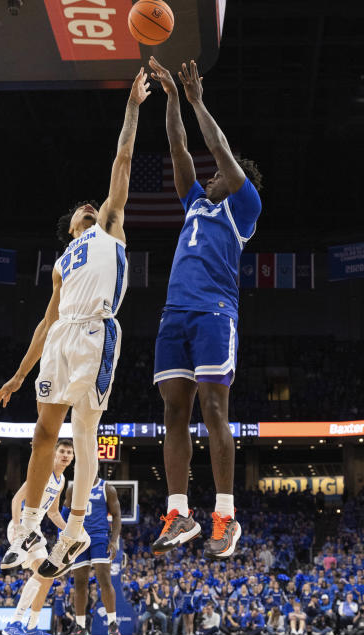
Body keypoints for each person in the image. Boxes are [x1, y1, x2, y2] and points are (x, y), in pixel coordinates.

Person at [0, 69, 149, 577]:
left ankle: (75, 523)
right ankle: (32, 525)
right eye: (84, 208)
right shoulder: (61, 262)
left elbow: (122, 162)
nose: (91, 205)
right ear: (71, 226)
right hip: (61, 336)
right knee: (46, 432)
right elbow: (43, 322)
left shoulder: (110, 227)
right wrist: (19, 374)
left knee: (83, 431)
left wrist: (131, 109)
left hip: (96, 332)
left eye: (93, 204)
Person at [147, 57, 263, 560]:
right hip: (175, 314)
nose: (212, 175)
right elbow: (179, 149)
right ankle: (179, 513)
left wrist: (197, 101)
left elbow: (220, 151)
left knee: (215, 411)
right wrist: (173, 100)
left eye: (221, 174)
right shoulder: (196, 202)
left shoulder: (244, 206)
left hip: (215, 313)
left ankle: (225, 516)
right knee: (174, 411)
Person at [1, 440, 72, 635]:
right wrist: (18, 528)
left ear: (72, 457)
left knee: (48, 577)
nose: (65, 455)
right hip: (23, 528)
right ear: (55, 453)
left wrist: (71, 530)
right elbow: (16, 500)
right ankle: (14, 623)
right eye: (62, 451)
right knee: (43, 572)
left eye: (69, 452)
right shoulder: (43, 471)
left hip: (36, 530)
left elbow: (54, 513)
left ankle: (32, 626)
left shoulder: (62, 480)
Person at [64, 475, 123, 635]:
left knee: (104, 580)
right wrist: (63, 539)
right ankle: (81, 627)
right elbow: (64, 514)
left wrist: (114, 540)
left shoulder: (107, 488)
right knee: (79, 583)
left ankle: (113, 625)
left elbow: (117, 515)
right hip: (78, 538)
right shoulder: (73, 488)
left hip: (99, 537)